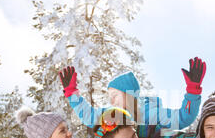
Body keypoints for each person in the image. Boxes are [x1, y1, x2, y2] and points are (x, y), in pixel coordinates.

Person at [58, 57, 206, 132]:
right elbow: (89, 116)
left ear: (129, 94)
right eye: (110, 96)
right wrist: (72, 94)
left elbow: (183, 118)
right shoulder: (111, 115)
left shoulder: (151, 114)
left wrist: (192, 91)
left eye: (115, 95)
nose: (111, 100)